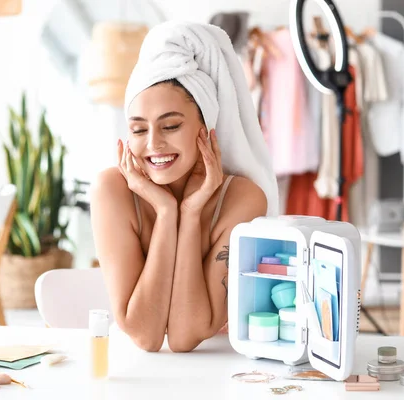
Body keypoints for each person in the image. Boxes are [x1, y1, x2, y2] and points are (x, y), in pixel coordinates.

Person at [90, 21, 279, 353]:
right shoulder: (112, 190)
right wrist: (165, 212)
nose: (154, 144)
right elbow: (145, 335)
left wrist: (189, 214)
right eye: (138, 130)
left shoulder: (243, 199)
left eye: (171, 125)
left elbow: (184, 336)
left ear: (205, 127)